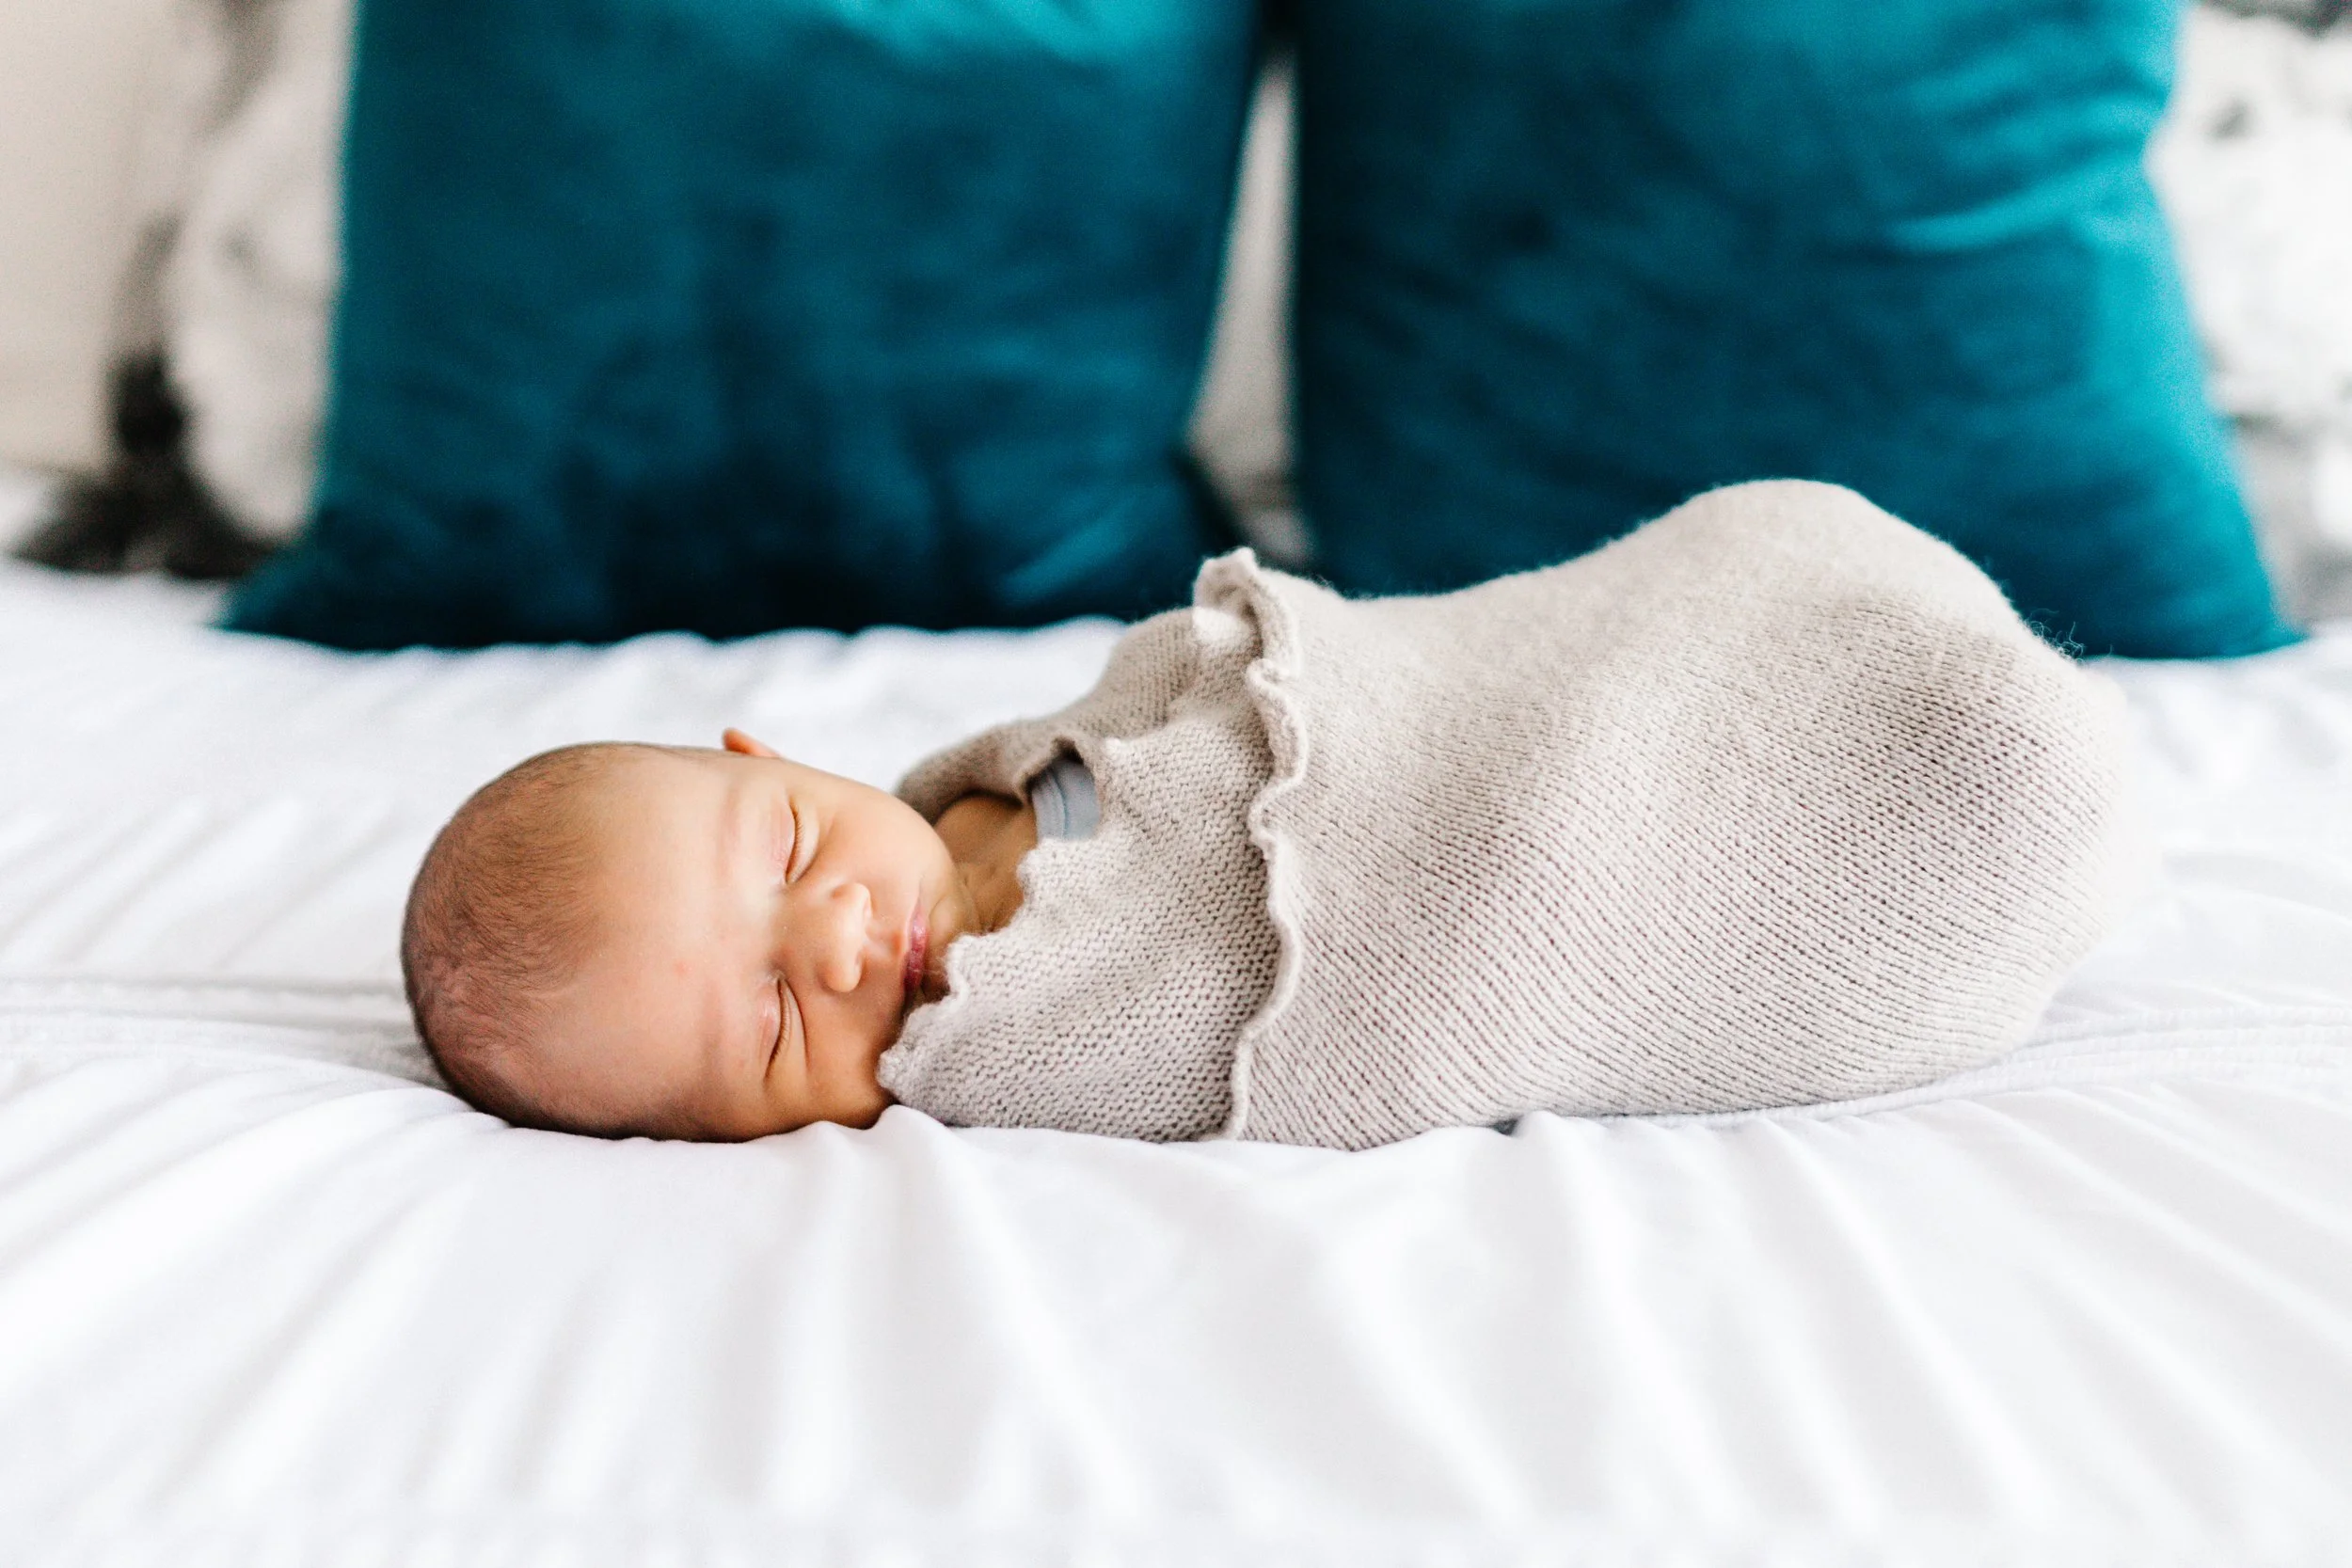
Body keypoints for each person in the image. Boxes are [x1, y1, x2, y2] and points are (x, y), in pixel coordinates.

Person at [403, 482, 2148, 1149]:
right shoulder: (1005, 1052)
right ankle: (1961, 772)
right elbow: (1264, 989)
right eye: (779, 1018)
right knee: (1990, 788)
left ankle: (1843, 650)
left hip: (1514, 691)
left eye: (788, 855)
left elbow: (1282, 675)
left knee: (1776, 549)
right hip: (1516, 872)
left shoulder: (1011, 768)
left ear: (767, 756)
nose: (851, 941)